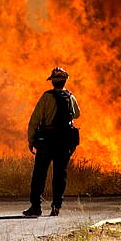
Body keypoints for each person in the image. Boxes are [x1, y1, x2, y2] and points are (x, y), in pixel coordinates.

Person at [22, 66, 81, 217]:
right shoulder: (70, 97)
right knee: (60, 175)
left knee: (39, 174)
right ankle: (56, 207)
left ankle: (36, 207)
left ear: (52, 82)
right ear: (65, 81)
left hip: (47, 141)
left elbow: (34, 120)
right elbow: (77, 114)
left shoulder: (46, 97)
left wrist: (31, 140)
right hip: (64, 142)